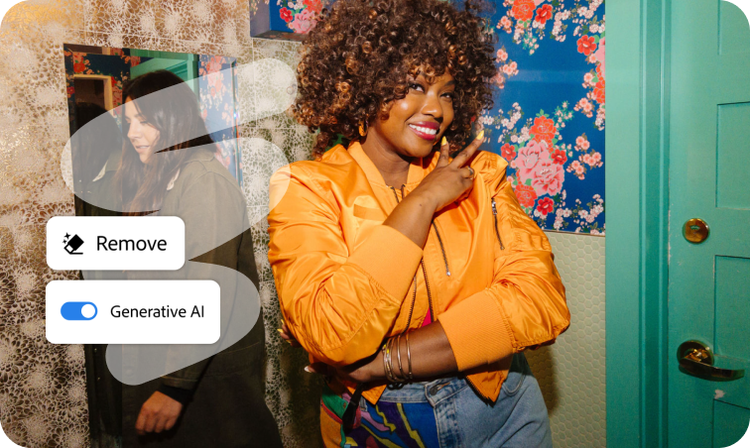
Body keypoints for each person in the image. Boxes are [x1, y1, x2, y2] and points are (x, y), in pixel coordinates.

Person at [267, 0, 570, 447]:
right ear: (361, 86)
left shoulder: (483, 176)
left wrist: (383, 361)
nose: (435, 109)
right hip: (378, 420)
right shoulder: (305, 187)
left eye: (446, 93)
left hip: (503, 409)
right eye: (414, 86)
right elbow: (333, 331)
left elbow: (541, 303)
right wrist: (424, 200)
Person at [84, 70, 282, 448]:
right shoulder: (158, 178)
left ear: (174, 119)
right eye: (128, 123)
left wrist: (175, 388)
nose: (132, 133)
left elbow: (210, 289)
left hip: (205, 380)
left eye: (144, 121)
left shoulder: (203, 180)